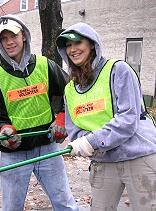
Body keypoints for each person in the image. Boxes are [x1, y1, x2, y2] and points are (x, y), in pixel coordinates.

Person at [0, 15, 79, 211]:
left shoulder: (46, 65)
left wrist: (62, 118)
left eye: (13, 36)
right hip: (14, 154)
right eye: (4, 39)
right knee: (11, 207)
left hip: (47, 147)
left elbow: (72, 93)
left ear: (24, 36)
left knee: (65, 203)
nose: (9, 42)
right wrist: (2, 131)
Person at [56, 22, 156, 211]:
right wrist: (83, 142)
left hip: (138, 155)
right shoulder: (70, 89)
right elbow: (74, 129)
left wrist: (91, 141)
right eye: (68, 45)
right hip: (104, 161)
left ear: (92, 44)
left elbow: (128, 119)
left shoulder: (118, 70)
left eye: (78, 42)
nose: (73, 49)